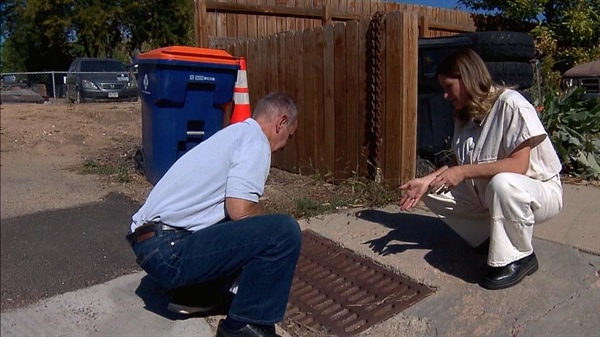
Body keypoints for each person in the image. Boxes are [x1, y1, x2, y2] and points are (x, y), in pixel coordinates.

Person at [126, 92, 301, 337]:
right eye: (288, 137)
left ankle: (196, 295)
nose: (284, 145)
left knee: (243, 227)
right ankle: (245, 326)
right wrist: (265, 221)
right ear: (280, 122)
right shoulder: (256, 140)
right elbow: (240, 210)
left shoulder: (233, 135)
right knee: (283, 231)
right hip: (168, 250)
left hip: (151, 245)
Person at [399, 48, 563, 290]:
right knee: (434, 190)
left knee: (503, 183)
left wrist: (463, 172)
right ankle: (491, 238)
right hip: (492, 193)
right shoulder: (464, 116)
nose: (445, 96)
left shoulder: (510, 104)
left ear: (466, 79)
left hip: (537, 192)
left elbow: (519, 166)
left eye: (448, 87)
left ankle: (520, 256)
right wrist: (425, 180)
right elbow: (459, 163)